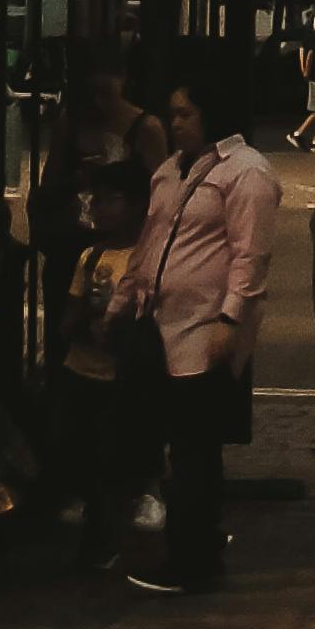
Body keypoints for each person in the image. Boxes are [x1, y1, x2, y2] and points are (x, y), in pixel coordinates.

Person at [117, 49, 280, 600]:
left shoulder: (246, 172)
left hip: (204, 329)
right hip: (158, 326)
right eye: (173, 114)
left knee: (194, 451)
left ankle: (192, 556)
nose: (176, 123)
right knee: (170, 444)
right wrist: (123, 300)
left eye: (185, 113)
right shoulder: (171, 169)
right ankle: (190, 543)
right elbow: (150, 242)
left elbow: (250, 256)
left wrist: (230, 320)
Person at [47, 153, 157, 579]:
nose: (99, 209)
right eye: (97, 200)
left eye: (110, 200)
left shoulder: (146, 259)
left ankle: (104, 537)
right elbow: (68, 317)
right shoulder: (91, 256)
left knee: (111, 460)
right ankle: (95, 529)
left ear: (137, 205)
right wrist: (82, 325)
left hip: (117, 377)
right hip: (81, 370)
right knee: (75, 450)